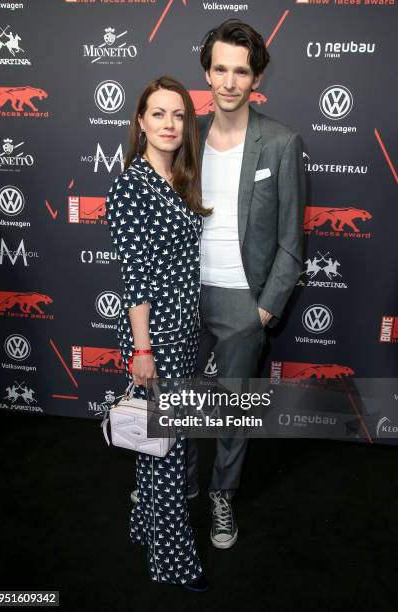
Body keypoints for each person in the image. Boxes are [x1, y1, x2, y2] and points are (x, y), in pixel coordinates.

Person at [186, 20, 306, 549]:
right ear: (207, 73)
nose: (229, 82)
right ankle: (174, 485)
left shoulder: (280, 142)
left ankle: (222, 496)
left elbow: (290, 242)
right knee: (177, 403)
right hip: (185, 295)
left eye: (241, 71)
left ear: (255, 76)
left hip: (244, 303)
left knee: (232, 411)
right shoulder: (182, 137)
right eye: (220, 70)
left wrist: (264, 309)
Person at [105, 76, 211, 590]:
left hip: (182, 334)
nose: (169, 124)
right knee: (167, 454)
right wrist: (142, 348)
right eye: (158, 114)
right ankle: (174, 565)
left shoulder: (179, 181)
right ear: (140, 122)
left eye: (178, 115)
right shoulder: (130, 184)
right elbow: (135, 276)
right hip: (156, 341)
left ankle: (144, 528)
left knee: (162, 443)